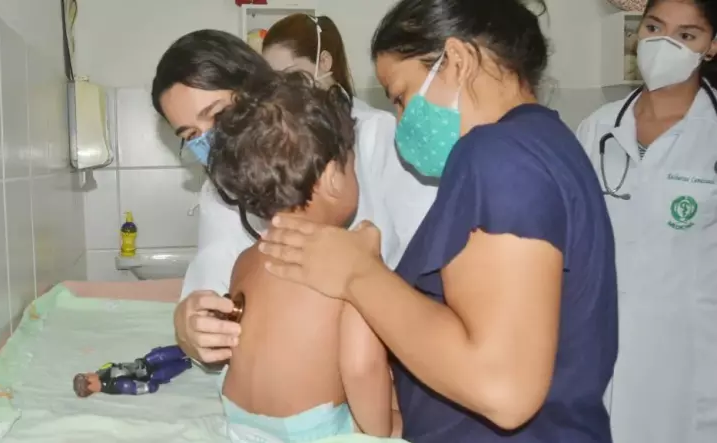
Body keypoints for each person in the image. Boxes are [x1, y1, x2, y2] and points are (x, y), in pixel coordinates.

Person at [257, 0, 619, 441]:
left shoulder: (498, 155)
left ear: (458, 61)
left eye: (401, 97)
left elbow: (502, 389)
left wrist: (357, 273)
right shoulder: (544, 143)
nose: (402, 122)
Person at [151, 28, 436, 364]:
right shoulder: (220, 193)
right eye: (191, 135)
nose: (211, 140)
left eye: (218, 115)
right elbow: (211, 289)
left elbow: (432, 268)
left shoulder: (370, 137)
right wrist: (190, 327)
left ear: (258, 90)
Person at [207, 71, 392, 441]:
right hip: (312, 430)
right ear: (333, 177)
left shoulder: (247, 259)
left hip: (240, 420)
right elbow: (362, 367)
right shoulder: (348, 259)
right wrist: (380, 434)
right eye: (352, 165)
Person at [575, 1, 717, 442]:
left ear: (712, 46)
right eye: (654, 27)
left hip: (690, 354)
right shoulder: (597, 128)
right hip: (599, 343)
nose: (663, 44)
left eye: (686, 35)